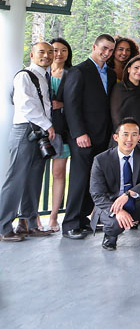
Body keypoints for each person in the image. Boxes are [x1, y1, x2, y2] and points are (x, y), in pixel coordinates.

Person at [62, 33, 116, 239]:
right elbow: (71, 105)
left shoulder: (110, 74)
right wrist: (79, 133)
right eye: (103, 48)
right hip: (83, 136)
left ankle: (83, 219)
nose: (107, 53)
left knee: (93, 180)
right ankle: (69, 223)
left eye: (110, 50)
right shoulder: (78, 71)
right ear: (94, 46)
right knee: (79, 178)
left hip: (102, 136)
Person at [0, 42, 55, 242]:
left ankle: (29, 224)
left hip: (38, 133)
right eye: (42, 52)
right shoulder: (24, 75)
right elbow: (26, 105)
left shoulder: (44, 76)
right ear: (32, 54)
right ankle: (3, 227)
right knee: (16, 179)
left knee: (34, 179)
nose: (47, 55)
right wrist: (48, 125)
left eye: (50, 52)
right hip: (25, 131)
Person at [89, 119, 140, 252]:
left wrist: (128, 194)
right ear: (116, 137)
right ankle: (110, 236)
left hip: (135, 200)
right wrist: (118, 211)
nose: (130, 139)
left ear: (139, 137)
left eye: (134, 134)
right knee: (115, 224)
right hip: (112, 204)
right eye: (125, 134)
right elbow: (97, 194)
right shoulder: (101, 160)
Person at [46, 38, 73, 233]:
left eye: (64, 50)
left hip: (62, 129)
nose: (59, 54)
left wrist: (63, 105)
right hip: (40, 130)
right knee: (34, 173)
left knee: (58, 173)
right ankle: (28, 217)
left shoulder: (72, 74)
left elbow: (78, 101)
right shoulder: (40, 74)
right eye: (55, 50)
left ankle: (54, 215)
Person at [110, 56, 140, 146]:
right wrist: (128, 135)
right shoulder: (119, 88)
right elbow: (116, 115)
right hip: (122, 134)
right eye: (136, 67)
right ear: (129, 69)